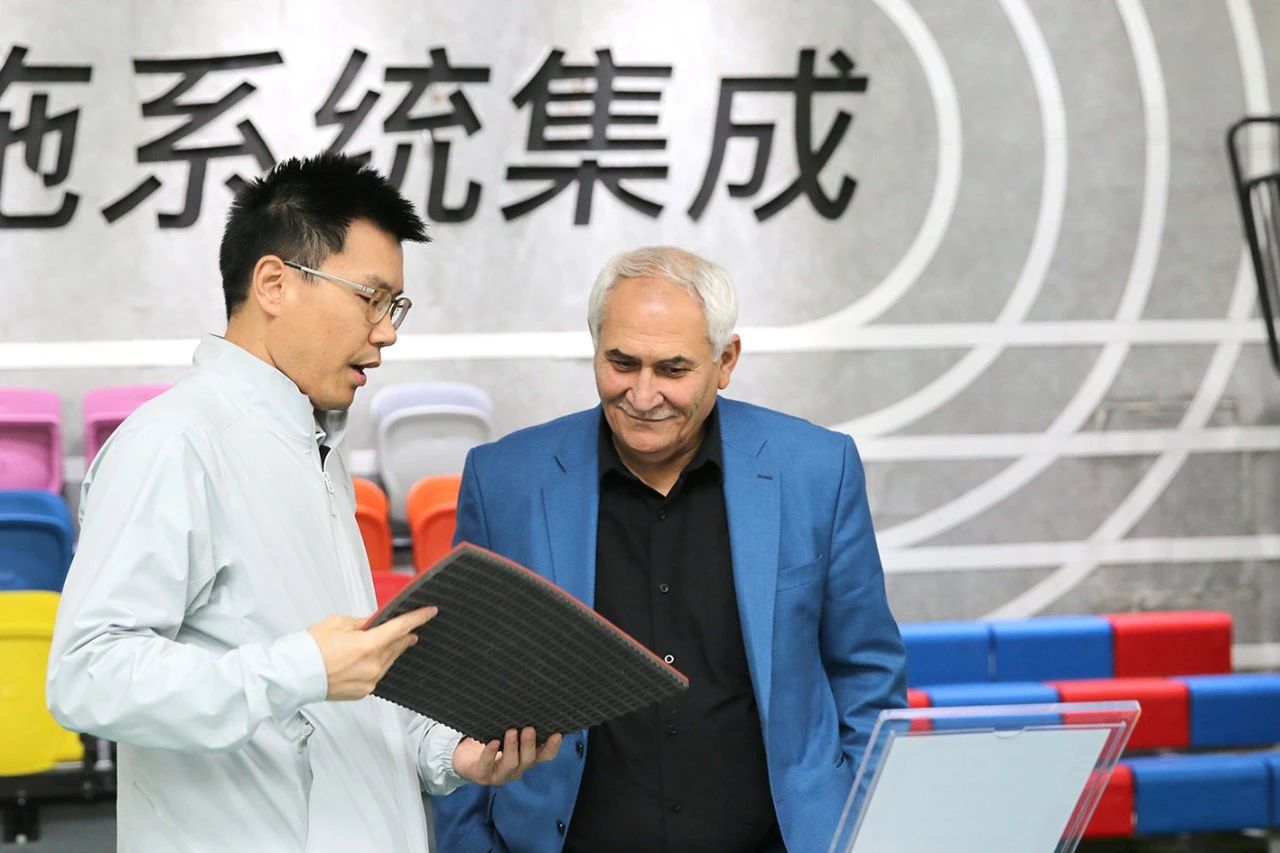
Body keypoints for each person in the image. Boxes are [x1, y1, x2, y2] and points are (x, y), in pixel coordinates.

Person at [46, 152, 559, 852]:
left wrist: (447, 750)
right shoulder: (174, 442)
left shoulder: (312, 443)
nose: (387, 331)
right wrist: (300, 668)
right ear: (274, 283)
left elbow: (337, 691)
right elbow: (87, 674)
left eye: (394, 306)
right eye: (371, 298)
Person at [432, 246, 906, 852]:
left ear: (725, 361)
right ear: (595, 346)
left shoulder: (817, 470)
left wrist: (861, 835)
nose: (643, 393)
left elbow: (866, 679)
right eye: (622, 363)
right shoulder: (505, 481)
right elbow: (459, 691)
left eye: (672, 369)